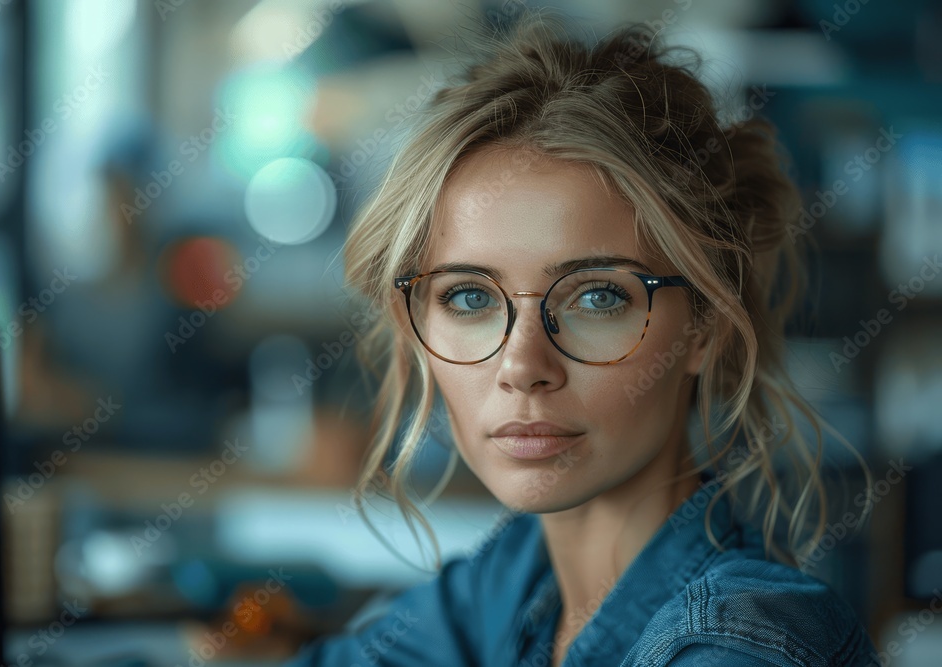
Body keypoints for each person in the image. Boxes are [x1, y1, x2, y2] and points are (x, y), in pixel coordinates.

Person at [283, 10, 880, 667]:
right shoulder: (511, 583)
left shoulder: (739, 648)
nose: (522, 365)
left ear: (706, 325)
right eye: (470, 297)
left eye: (598, 297)